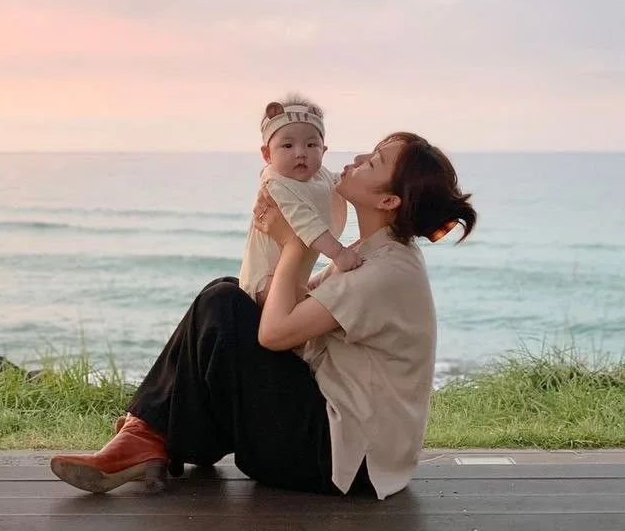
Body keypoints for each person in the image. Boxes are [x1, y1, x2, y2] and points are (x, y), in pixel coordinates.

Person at [49, 131, 476, 500]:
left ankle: (148, 438)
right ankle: (154, 437)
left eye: (375, 162)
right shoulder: (373, 253)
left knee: (224, 304)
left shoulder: (383, 272)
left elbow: (274, 334)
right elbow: (287, 300)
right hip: (345, 445)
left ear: (388, 199)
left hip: (342, 461)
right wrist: (282, 238)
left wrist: (294, 244)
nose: (359, 159)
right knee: (228, 293)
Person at [239, 94, 362, 307]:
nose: (300, 153)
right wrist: (339, 253)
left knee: (306, 305)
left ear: (323, 151)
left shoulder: (320, 175)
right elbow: (307, 223)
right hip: (263, 281)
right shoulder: (276, 184)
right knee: (305, 310)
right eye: (287, 146)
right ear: (267, 154)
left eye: (311, 145)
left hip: (291, 277)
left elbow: (342, 185)